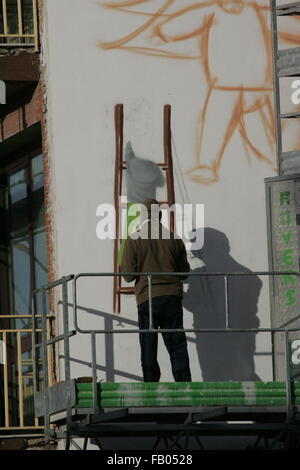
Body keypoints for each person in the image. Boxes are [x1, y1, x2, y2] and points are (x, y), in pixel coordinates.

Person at [120, 198, 192, 382]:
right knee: (176, 344)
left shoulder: (134, 239)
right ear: (159, 216)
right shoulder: (173, 238)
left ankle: (151, 387)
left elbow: (128, 276)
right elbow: (184, 273)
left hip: (147, 298)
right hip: (171, 297)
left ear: (142, 216)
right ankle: (184, 384)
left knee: (148, 345)